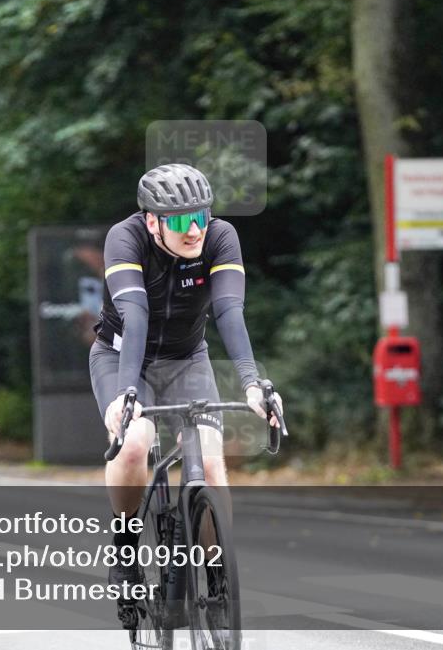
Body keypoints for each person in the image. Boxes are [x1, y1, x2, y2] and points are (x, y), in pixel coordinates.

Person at [89, 163, 282, 629]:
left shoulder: (219, 236)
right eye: (178, 220)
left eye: (200, 215)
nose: (194, 229)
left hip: (188, 360)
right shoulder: (125, 238)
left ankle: (217, 575)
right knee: (134, 443)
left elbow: (229, 312)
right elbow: (134, 317)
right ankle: (125, 550)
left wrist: (254, 384)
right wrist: (126, 394)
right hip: (121, 359)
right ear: (153, 221)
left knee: (212, 465)